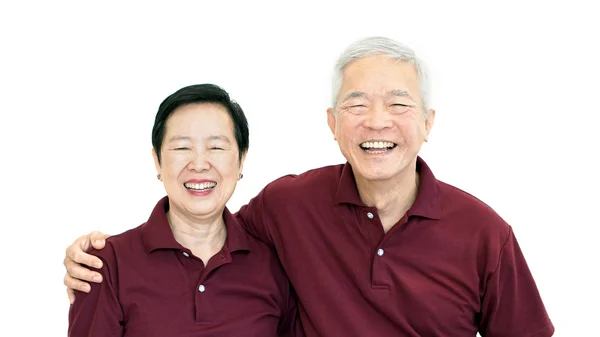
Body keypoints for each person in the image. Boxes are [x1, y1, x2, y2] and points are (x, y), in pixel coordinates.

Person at [64, 37, 554, 336]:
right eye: (357, 104)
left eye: (399, 104)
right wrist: (90, 257)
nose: (377, 121)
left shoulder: (485, 233)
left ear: (427, 123)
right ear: (332, 123)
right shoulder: (288, 207)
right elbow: (205, 222)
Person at [67, 84, 302, 337]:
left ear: (241, 159)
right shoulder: (107, 263)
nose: (199, 164)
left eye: (216, 147)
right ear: (157, 161)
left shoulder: (273, 264)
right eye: (181, 148)